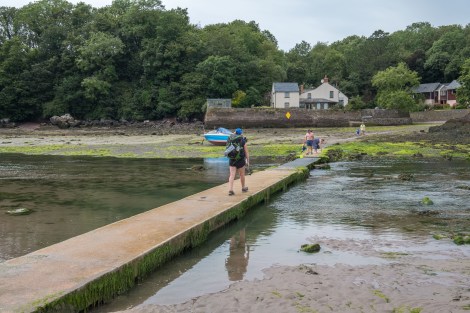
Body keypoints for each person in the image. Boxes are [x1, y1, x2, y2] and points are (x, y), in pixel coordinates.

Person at [227, 128, 249, 196]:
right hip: (240, 160)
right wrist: (248, 160)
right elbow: (246, 152)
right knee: (242, 174)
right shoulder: (242, 140)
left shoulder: (230, 139)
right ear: (241, 133)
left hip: (232, 159)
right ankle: (243, 188)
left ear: (235, 132)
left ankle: (230, 189)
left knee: (232, 175)